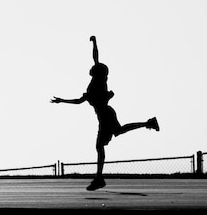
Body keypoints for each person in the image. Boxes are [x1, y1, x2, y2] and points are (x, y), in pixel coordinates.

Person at [51, 36, 159, 191]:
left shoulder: (97, 83)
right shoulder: (98, 81)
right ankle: (148, 123)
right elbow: (96, 58)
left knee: (100, 145)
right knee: (118, 132)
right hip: (107, 113)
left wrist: (63, 101)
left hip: (105, 115)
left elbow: (79, 100)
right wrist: (95, 43)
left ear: (96, 72)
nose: (91, 67)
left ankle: (99, 178)